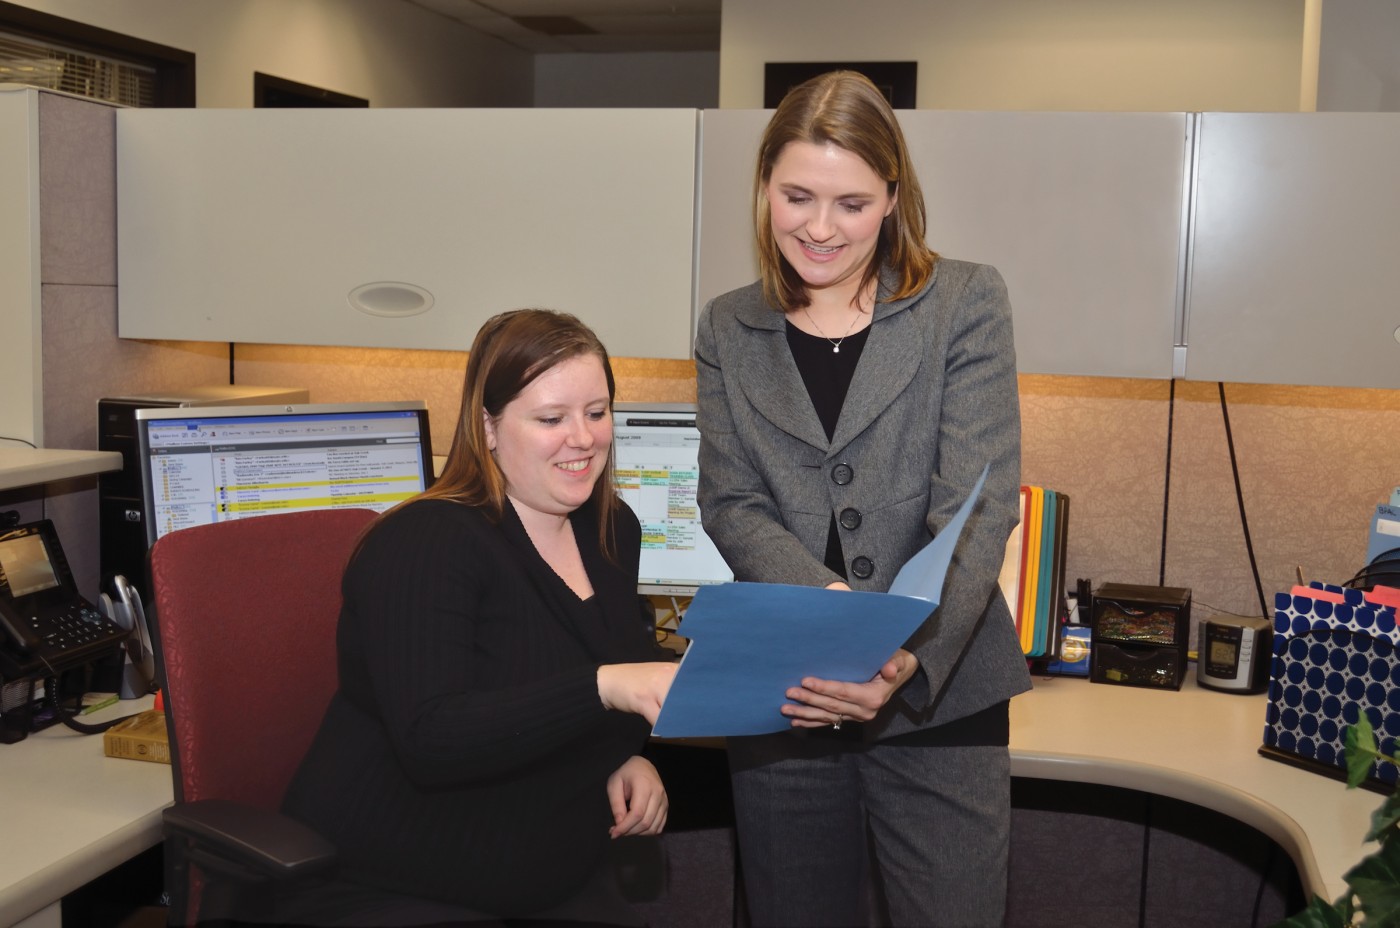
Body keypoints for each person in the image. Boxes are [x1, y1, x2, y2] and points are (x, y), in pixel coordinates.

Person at [694, 71, 1032, 928]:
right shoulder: (730, 327)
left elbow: (978, 504)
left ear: (892, 195)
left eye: (850, 203)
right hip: (789, 692)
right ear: (764, 185)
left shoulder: (964, 303)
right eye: (796, 195)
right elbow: (732, 501)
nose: (818, 227)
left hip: (938, 690)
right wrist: (831, 610)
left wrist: (896, 655)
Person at [279, 308, 678, 927]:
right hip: (398, 880)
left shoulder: (610, 529)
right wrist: (607, 686)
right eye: (551, 419)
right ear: (488, 426)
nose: (583, 438)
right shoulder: (425, 543)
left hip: (548, 871)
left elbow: (583, 686)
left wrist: (627, 758)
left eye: (597, 413)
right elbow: (432, 737)